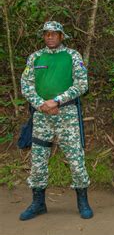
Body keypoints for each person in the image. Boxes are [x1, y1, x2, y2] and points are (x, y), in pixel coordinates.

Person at [20, 21, 92, 220]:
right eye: (47, 34)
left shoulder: (72, 56)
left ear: (61, 36)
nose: (50, 37)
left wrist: (57, 101)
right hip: (41, 116)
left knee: (76, 159)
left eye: (54, 34)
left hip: (66, 114)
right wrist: (41, 104)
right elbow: (26, 85)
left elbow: (82, 84)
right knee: (38, 160)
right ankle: (38, 203)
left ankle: (83, 201)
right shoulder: (35, 57)